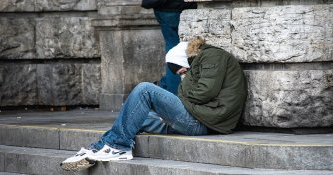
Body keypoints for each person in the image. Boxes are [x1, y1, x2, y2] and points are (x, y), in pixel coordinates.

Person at [60, 36, 247, 171]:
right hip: (201, 117)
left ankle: (118, 146)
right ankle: (99, 147)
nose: (183, 77)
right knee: (133, 112)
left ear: (185, 60)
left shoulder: (212, 56)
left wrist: (180, 94)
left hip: (205, 122)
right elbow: (197, 93)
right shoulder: (200, 64)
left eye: (182, 72)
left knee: (145, 89)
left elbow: (205, 92)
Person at [142, 0, 197, 95]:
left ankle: (163, 88)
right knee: (178, 56)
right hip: (181, 6)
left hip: (165, 7)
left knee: (175, 53)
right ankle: (171, 93)